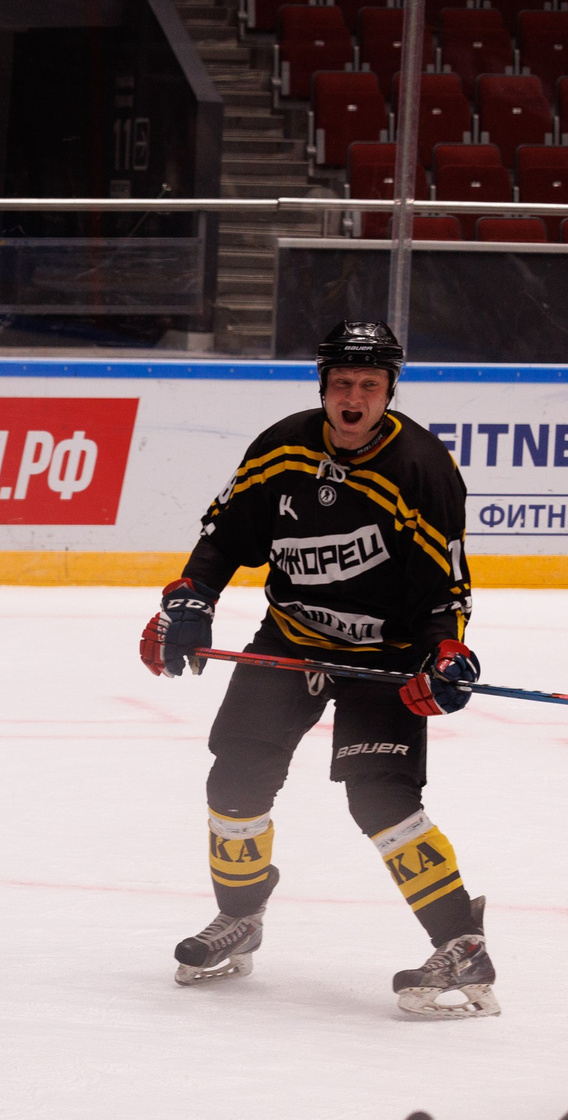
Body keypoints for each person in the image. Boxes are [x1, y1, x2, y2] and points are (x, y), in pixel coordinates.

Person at [143, 320, 491, 1017]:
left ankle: (464, 946)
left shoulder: (421, 469)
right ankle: (240, 916)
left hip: (382, 660)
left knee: (381, 800)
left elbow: (447, 588)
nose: (353, 398)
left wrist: (445, 652)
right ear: (324, 388)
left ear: (389, 389)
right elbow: (223, 537)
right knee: (236, 775)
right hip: (293, 638)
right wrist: (189, 602)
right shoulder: (282, 448)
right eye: (341, 384)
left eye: (368, 385)